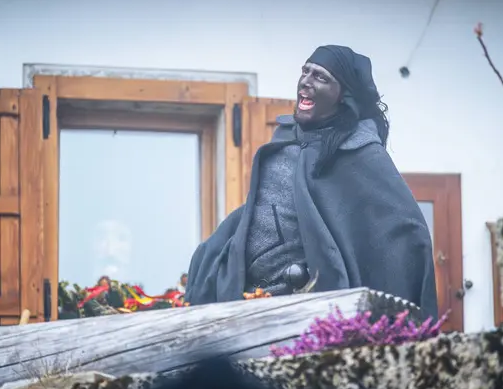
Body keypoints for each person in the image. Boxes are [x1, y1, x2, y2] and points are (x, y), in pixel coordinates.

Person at [185, 45, 438, 319]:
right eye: (305, 71)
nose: (306, 80)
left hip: (303, 310)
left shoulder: (359, 154)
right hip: (243, 301)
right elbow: (264, 210)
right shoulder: (285, 141)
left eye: (321, 77)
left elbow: (406, 229)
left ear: (343, 95)